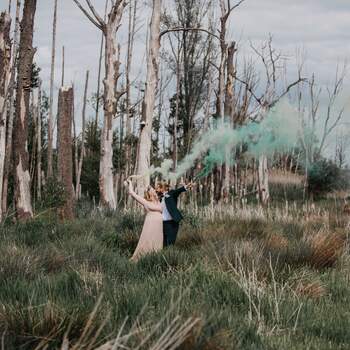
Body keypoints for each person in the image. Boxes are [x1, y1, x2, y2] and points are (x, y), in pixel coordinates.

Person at [125, 179, 163, 262]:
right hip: (150, 226)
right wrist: (130, 183)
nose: (154, 190)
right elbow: (132, 193)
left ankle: (154, 260)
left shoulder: (159, 201)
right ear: (149, 193)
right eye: (152, 190)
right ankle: (142, 260)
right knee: (147, 241)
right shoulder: (145, 202)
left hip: (159, 227)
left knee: (157, 243)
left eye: (153, 189)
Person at [157, 182, 193, 247]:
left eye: (158, 187)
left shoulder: (171, 193)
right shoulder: (158, 197)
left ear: (164, 188)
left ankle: (171, 255)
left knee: (171, 242)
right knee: (164, 242)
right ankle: (163, 255)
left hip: (172, 222)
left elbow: (178, 191)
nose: (156, 189)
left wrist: (186, 186)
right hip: (163, 223)